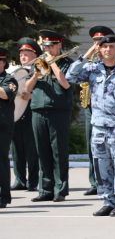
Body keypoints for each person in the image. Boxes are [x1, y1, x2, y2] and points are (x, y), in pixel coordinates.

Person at [66, 34, 115, 217]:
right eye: (104, 47)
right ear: (99, 49)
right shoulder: (92, 68)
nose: (107, 50)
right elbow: (70, 76)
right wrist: (87, 53)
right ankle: (107, 201)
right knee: (100, 165)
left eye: (111, 46)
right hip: (99, 128)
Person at [25, 30, 73, 202]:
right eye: (45, 46)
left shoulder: (67, 63)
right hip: (38, 110)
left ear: (59, 45)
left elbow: (65, 83)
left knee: (58, 152)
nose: (48, 49)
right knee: (42, 151)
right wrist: (37, 74)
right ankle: (45, 189)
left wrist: (52, 63)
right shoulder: (37, 63)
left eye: (51, 45)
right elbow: (27, 89)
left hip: (58, 112)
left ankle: (60, 189)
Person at [82, 25, 115, 196]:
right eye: (95, 41)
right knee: (92, 147)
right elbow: (74, 74)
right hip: (90, 108)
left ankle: (110, 183)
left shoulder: (110, 62)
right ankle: (94, 182)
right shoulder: (90, 63)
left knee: (109, 150)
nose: (97, 44)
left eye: (100, 41)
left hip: (108, 111)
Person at [10, 38, 41, 192]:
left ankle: (33, 181)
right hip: (16, 114)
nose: (23, 56)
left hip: (31, 113)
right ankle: (20, 180)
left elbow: (45, 91)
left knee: (31, 149)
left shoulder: (40, 69)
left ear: (35, 54)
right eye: (21, 53)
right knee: (17, 149)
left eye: (27, 53)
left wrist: (32, 95)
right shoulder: (15, 71)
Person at [0, 48, 18, 208]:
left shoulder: (9, 79)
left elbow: (5, 94)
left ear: (3, 63)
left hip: (2, 126)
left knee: (1, 160)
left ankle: (3, 196)